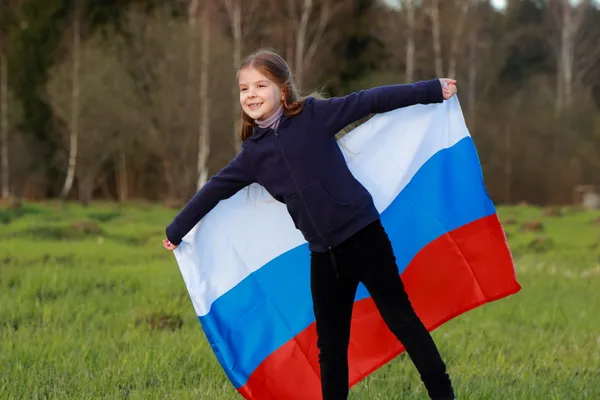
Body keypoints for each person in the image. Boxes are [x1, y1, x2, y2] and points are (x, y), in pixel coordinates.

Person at [162, 48, 458, 400]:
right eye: (244, 89)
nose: (251, 94)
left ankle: (443, 394)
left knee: (402, 321)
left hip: (365, 238)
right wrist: (176, 230)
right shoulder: (253, 155)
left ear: (283, 90)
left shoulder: (314, 117)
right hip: (324, 257)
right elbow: (215, 189)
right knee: (330, 347)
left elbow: (370, 100)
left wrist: (429, 90)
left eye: (261, 85)